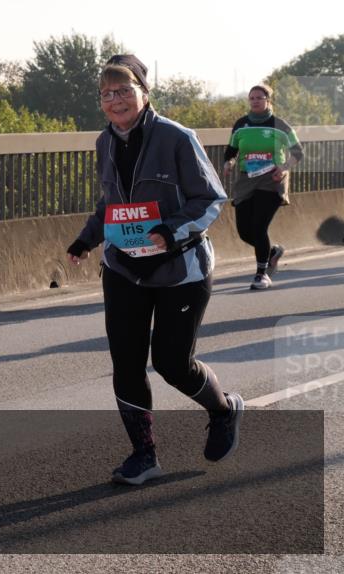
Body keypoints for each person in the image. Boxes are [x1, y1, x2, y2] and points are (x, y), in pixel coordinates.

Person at [66, 54, 244, 486]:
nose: (115, 100)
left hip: (179, 269)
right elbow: (111, 203)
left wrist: (171, 230)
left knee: (171, 362)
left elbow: (210, 199)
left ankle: (223, 409)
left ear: (144, 94)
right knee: (126, 361)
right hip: (124, 268)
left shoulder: (177, 137)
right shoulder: (104, 142)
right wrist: (87, 239)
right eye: (106, 94)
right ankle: (143, 455)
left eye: (124, 91)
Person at [222, 84, 304, 290]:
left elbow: (298, 152)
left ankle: (261, 274)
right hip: (246, 180)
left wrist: (283, 168)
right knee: (244, 231)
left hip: (272, 179)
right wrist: (229, 163)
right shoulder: (241, 124)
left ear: (268, 100)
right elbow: (231, 151)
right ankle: (272, 252)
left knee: (259, 227)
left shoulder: (280, 125)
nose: (255, 101)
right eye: (252, 98)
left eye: (259, 97)